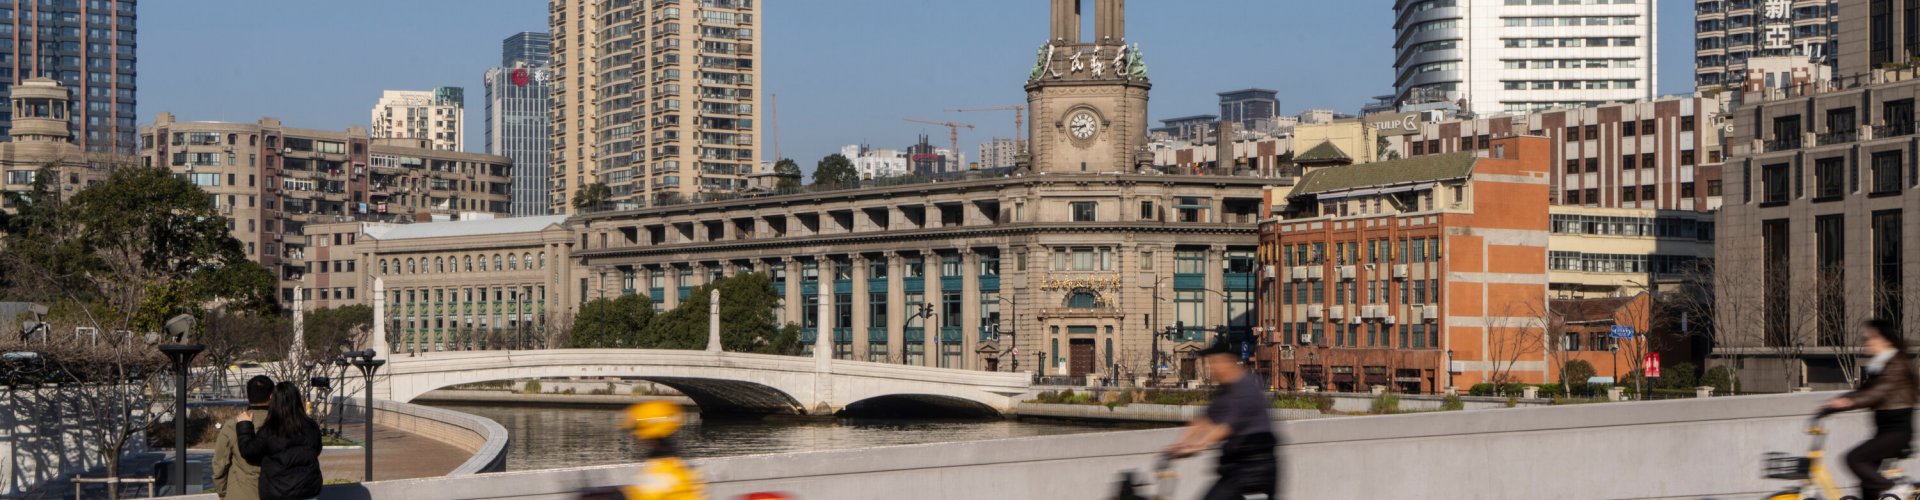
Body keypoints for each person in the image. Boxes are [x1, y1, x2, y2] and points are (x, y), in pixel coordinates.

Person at [1165, 339, 1280, 500]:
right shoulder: (1226, 390)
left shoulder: (1246, 387)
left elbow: (1225, 427)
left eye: (1214, 363)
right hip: (1236, 467)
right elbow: (1205, 419)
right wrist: (1180, 443)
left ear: (1228, 363)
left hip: (1256, 467)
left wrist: (1197, 446)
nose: (1210, 368)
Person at [1823, 318, 1918, 500]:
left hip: (1897, 432)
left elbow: (1877, 393)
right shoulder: (1879, 365)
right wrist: (1836, 403)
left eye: (1870, 338)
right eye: (1864, 339)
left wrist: (1847, 403)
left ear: (1885, 340)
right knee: (1867, 485)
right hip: (1884, 431)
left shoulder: (1895, 364)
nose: (1866, 342)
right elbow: (1863, 391)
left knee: (1854, 459)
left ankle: (1896, 487)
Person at [236, 381, 324, 500]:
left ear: (272, 399)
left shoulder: (271, 429)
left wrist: (244, 425)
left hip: (279, 492)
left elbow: (249, 452)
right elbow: (316, 450)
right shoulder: (311, 426)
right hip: (309, 491)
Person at [618, 401, 706, 500]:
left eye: (636, 428)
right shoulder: (682, 464)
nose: (634, 434)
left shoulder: (661, 471)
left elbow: (641, 495)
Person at [213, 375, 273, 500]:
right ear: (272, 396)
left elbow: (220, 463)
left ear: (248, 395)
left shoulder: (232, 425)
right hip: (277, 490)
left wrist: (222, 491)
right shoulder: (285, 424)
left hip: (240, 492)